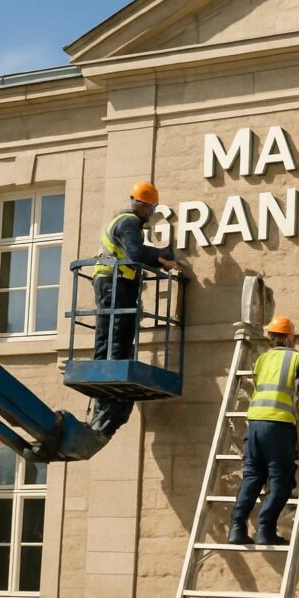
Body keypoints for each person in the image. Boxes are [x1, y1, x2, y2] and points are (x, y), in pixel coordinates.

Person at [88, 181, 177, 438]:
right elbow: (135, 253)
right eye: (152, 207)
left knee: (114, 327)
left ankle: (109, 365)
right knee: (117, 327)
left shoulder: (123, 221)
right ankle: (111, 367)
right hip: (115, 282)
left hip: (114, 281)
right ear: (143, 204)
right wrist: (161, 257)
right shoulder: (129, 223)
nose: (152, 213)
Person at [228, 316, 299, 546]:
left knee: (252, 477)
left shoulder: (261, 360)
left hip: (255, 426)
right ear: (290, 337)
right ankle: (265, 530)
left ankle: (237, 529)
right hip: (278, 427)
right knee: (281, 480)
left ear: (270, 337)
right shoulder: (296, 359)